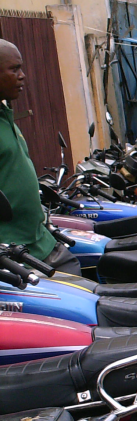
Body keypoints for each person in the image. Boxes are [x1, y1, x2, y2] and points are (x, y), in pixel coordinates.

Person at [0, 39, 80, 275]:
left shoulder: (6, 117)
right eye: (14, 69)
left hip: (40, 243)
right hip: (13, 253)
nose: (22, 76)